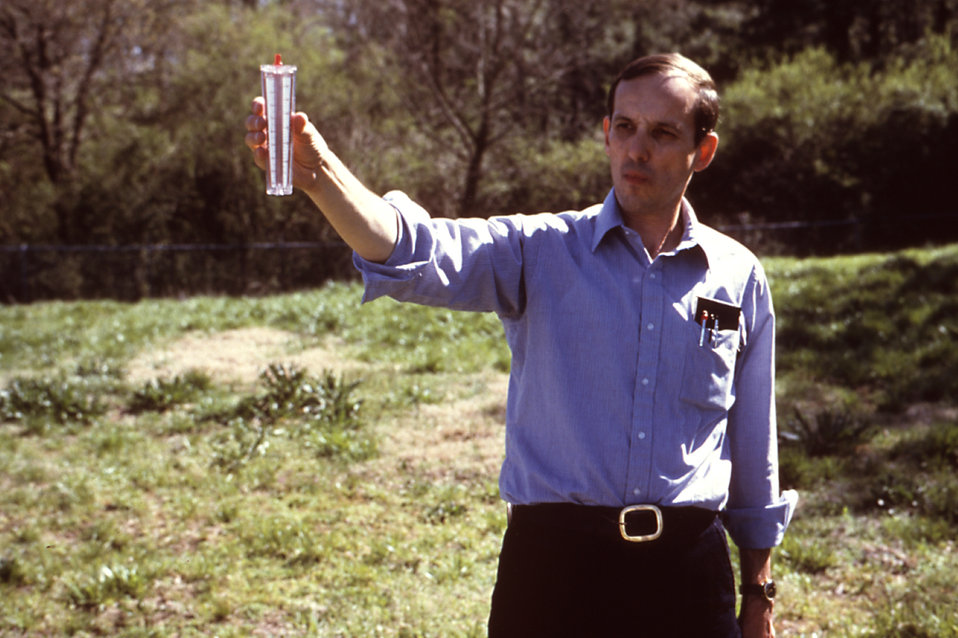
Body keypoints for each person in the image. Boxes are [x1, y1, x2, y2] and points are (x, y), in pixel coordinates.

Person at [245, 52, 797, 638]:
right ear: (607, 136)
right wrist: (319, 173)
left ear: (702, 151)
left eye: (663, 133)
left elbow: (753, 447)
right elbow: (413, 251)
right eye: (627, 128)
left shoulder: (737, 276)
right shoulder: (541, 250)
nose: (638, 149)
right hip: (554, 571)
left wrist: (759, 592)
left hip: (688, 576)